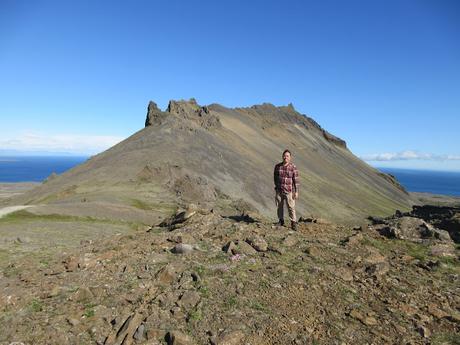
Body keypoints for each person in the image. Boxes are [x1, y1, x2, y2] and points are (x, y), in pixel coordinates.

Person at [273, 149, 299, 230]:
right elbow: (275, 178)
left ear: (290, 157)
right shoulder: (278, 166)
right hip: (279, 190)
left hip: (289, 191)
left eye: (287, 156)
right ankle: (281, 221)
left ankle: (293, 223)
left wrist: (296, 192)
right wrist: (276, 188)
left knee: (291, 207)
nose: (285, 157)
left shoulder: (293, 167)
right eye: (284, 156)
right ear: (282, 156)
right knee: (279, 207)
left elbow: (296, 180)